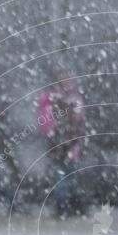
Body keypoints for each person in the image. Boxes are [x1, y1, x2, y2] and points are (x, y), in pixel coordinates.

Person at [37, 69, 86, 217]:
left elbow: (80, 117)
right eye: (66, 79)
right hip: (59, 142)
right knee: (63, 175)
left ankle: (70, 204)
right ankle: (63, 205)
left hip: (71, 141)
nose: (69, 82)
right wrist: (56, 134)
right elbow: (46, 121)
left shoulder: (73, 96)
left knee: (70, 174)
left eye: (70, 79)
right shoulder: (51, 98)